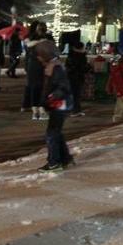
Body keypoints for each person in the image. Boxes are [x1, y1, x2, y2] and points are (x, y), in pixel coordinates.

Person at [35, 39, 74, 172]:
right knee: (56, 132)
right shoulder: (51, 66)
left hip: (60, 104)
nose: (38, 57)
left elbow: (63, 87)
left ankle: (54, 162)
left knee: (51, 134)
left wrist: (52, 97)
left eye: (39, 54)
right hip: (56, 104)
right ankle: (65, 158)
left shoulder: (56, 68)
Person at [65, 41, 90, 117]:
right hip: (78, 77)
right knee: (76, 94)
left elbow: (68, 66)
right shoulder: (81, 56)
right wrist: (89, 66)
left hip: (70, 76)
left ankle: (73, 110)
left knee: (72, 94)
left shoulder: (70, 55)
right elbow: (83, 68)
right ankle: (75, 111)